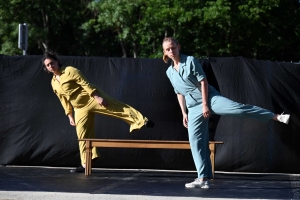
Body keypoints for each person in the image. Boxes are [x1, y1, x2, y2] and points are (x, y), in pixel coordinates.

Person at [162, 37, 290, 189]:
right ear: (164, 52)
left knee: (238, 109)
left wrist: (205, 105)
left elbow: (203, 82)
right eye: (168, 49)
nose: (171, 51)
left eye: (173, 48)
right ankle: (203, 178)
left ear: (178, 47)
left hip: (209, 99)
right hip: (192, 108)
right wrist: (184, 113)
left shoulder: (190, 61)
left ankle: (275, 116)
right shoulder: (170, 72)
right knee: (196, 143)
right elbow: (179, 93)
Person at [42, 52, 154, 173]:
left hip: (91, 98)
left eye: (52, 63)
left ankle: (141, 121)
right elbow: (63, 100)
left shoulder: (70, 70)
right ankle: (86, 163)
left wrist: (97, 97)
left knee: (115, 108)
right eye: (48, 65)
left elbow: (85, 84)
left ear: (57, 61)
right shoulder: (54, 83)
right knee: (82, 135)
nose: (51, 66)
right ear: (47, 68)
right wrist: (69, 115)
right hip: (79, 108)